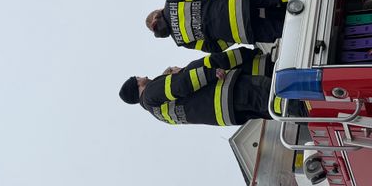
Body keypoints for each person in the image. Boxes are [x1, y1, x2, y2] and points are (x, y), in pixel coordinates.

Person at [119, 47, 278, 126]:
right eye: (139, 77)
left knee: (275, 109)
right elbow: (181, 84)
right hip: (228, 92)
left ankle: (302, 109)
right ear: (137, 84)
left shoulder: (157, 113)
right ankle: (302, 103)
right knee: (273, 94)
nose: (144, 76)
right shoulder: (150, 93)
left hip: (227, 114)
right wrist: (210, 74)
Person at [146, 0, 290, 52]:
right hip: (237, 3)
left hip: (241, 32)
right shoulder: (171, 2)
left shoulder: (180, 40)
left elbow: (213, 47)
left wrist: (232, 36)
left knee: (283, 30)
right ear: (157, 14)